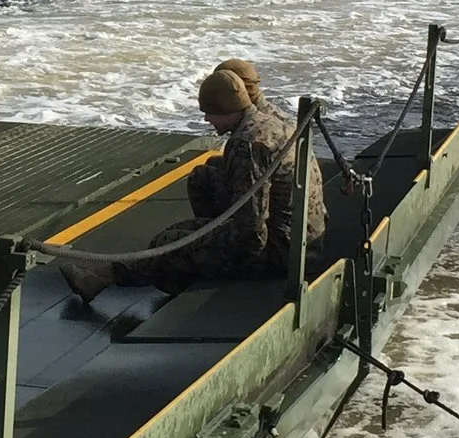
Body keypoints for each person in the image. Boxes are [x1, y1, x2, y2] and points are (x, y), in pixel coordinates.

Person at [60, 66, 324, 304]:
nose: (207, 120)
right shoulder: (269, 121)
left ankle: (103, 278)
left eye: (210, 113)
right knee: (202, 185)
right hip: (302, 237)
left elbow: (252, 229)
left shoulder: (248, 144)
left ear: (226, 110)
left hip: (282, 253)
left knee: (171, 241)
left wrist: (212, 255)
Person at [189, 58, 268, 219]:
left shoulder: (246, 142)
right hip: (293, 216)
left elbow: (253, 222)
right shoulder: (268, 118)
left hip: (279, 232)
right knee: (214, 163)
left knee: (200, 177)